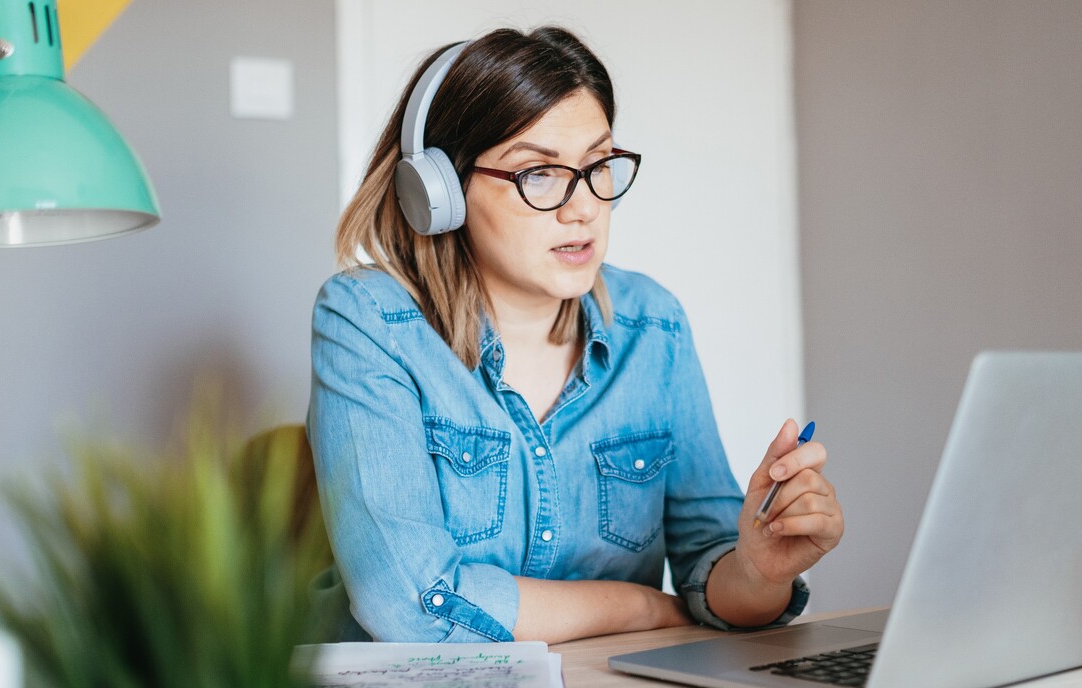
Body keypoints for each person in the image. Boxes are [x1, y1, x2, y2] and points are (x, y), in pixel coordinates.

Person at [307, 26, 842, 644]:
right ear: (439, 193)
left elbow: (713, 573)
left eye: (598, 165)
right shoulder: (369, 321)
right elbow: (415, 607)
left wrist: (756, 569)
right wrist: (644, 609)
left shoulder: (653, 325)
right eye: (538, 174)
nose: (583, 206)